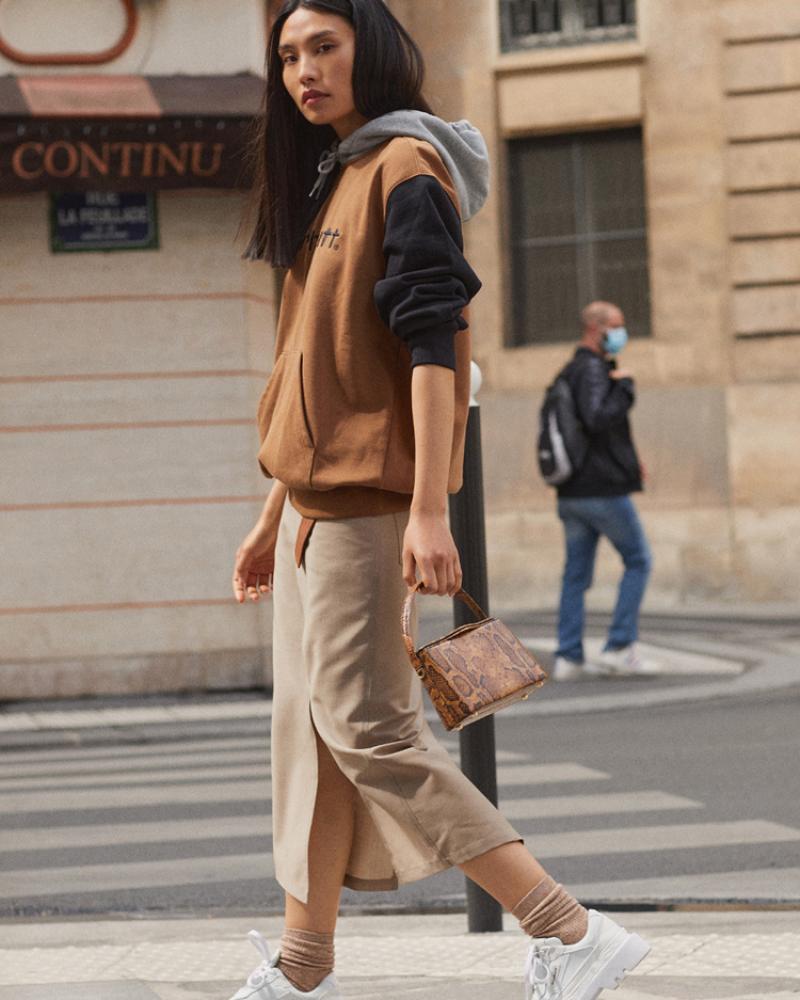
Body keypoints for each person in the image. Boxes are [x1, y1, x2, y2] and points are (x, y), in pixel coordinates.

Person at [231, 3, 650, 998]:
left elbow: (434, 348)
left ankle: (570, 929)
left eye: (323, 47)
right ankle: (301, 967)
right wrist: (270, 514)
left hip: (368, 509)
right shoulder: (333, 175)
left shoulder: (406, 169)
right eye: (288, 55)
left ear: (370, 50)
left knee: (369, 731)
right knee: (310, 735)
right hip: (307, 509)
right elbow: (309, 371)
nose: (303, 70)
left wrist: (429, 507)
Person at [551, 301, 654, 682]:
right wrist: (625, 387)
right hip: (601, 490)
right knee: (638, 559)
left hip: (572, 492)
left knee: (575, 576)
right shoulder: (592, 369)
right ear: (596, 329)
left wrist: (632, 460)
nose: (621, 334)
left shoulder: (570, 370)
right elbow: (598, 417)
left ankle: (568, 657)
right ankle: (620, 647)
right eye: (616, 326)